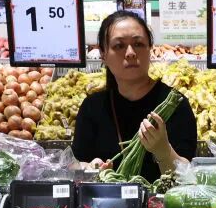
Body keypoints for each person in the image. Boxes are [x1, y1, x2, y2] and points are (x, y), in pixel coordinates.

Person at [72, 11, 196, 182]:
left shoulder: (175, 105)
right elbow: (77, 165)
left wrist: (163, 151)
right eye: (119, 46)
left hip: (162, 200)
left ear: (150, 48)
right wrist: (90, 168)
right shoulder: (92, 108)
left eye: (138, 44)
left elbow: (187, 178)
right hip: (107, 200)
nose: (130, 52)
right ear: (103, 55)